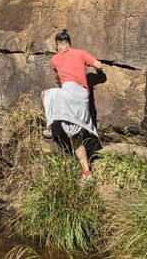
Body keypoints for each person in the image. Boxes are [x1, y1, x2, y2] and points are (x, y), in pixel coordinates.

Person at [41, 29, 104, 181]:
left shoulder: (55, 59)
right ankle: (86, 172)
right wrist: (96, 71)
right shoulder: (81, 53)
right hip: (82, 96)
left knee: (46, 94)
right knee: (75, 136)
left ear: (59, 45)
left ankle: (50, 126)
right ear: (69, 43)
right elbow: (99, 65)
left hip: (68, 92)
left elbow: (58, 72)